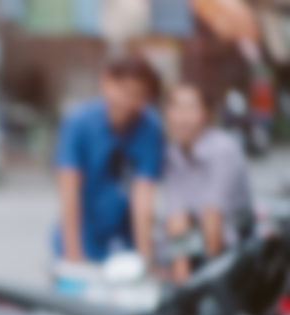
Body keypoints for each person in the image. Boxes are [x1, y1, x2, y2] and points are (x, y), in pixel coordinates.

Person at [54, 54, 164, 264]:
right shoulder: (78, 123)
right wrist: (73, 257)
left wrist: (145, 260)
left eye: (140, 96)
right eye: (126, 92)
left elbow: (143, 199)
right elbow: (69, 194)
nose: (131, 102)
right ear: (107, 83)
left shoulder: (149, 127)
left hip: (124, 243)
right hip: (81, 236)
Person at [162, 83, 252, 282]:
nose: (183, 117)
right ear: (168, 113)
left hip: (235, 244)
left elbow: (213, 216)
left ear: (206, 113)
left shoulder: (223, 149)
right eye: (177, 108)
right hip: (198, 242)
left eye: (191, 108)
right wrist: (181, 274)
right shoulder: (172, 154)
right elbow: (177, 216)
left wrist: (207, 284)